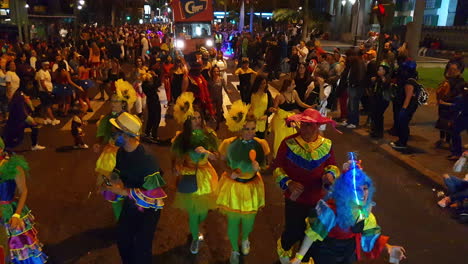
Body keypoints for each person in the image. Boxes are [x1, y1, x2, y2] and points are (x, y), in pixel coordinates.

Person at [289, 153, 406, 264]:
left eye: (365, 188)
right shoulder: (331, 211)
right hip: (326, 251)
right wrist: (299, 257)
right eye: (356, 189)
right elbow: (312, 234)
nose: (362, 193)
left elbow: (370, 235)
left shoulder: (366, 213)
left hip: (348, 252)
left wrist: (388, 247)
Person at [272, 108, 340, 264]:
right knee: (291, 233)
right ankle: (284, 259)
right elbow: (277, 168)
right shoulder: (288, 143)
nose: (305, 128)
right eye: (303, 124)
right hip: (295, 200)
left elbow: (333, 165)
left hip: (317, 201)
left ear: (317, 126)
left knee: (312, 238)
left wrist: (330, 174)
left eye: (309, 125)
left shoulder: (327, 144)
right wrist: (288, 183)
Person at [104, 112, 167, 264]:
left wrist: (121, 191)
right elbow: (119, 172)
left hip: (148, 211)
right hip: (131, 204)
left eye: (115, 131)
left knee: (141, 248)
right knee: (123, 240)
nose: (112, 134)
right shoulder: (121, 152)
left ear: (126, 135)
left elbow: (154, 195)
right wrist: (109, 179)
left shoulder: (146, 159)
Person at [217, 100, 270, 264]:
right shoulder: (228, 144)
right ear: (239, 127)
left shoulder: (262, 144)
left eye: (253, 128)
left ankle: (245, 238)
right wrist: (229, 171)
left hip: (252, 186)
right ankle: (234, 249)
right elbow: (222, 161)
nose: (250, 132)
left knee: (249, 220)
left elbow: (267, 165)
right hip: (233, 186)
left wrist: (260, 168)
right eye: (246, 129)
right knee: (233, 221)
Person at [171, 93, 219, 254]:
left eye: (199, 118)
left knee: (203, 212)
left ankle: (197, 227)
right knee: (193, 212)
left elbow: (217, 156)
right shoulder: (182, 138)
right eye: (193, 118)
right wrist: (176, 167)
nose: (197, 121)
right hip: (189, 174)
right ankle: (195, 236)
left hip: (206, 176)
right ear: (187, 121)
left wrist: (207, 152)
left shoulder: (209, 135)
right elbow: (176, 156)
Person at [0, 138, 48, 264]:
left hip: (8, 212)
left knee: (15, 245)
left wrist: (17, 214)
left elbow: (24, 191)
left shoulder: (13, 166)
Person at [95, 79, 136, 220]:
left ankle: (127, 220)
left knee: (126, 191)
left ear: (123, 103)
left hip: (126, 156)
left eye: (116, 101)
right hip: (110, 158)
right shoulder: (107, 119)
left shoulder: (130, 119)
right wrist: (98, 143)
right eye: (111, 101)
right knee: (113, 191)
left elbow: (136, 139)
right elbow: (102, 134)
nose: (112, 104)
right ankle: (120, 222)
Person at [270, 79, 314, 157]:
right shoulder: (279, 96)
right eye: (293, 84)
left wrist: (310, 107)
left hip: (291, 120)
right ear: (287, 86)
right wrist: (274, 109)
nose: (295, 86)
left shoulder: (294, 93)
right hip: (280, 121)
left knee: (291, 139)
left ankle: (289, 156)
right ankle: (277, 156)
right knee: (279, 140)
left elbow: (300, 103)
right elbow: (275, 109)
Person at [390, 78, 420, 150]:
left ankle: (402, 143)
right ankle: (400, 141)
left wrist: (403, 109)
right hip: (407, 106)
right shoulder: (407, 82)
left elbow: (408, 97)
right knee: (402, 123)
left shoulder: (408, 83)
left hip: (407, 107)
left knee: (403, 123)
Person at [369, 64, 392, 138]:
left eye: (380, 70)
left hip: (383, 100)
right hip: (377, 99)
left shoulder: (386, 78)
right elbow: (374, 88)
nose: (378, 71)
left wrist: (382, 79)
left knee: (379, 116)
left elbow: (385, 87)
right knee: (375, 115)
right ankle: (375, 130)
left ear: (384, 71)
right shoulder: (378, 78)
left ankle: (379, 132)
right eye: (378, 70)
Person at [36, 61, 60, 125]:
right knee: (48, 106)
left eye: (48, 65)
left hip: (47, 90)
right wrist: (47, 91)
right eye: (46, 65)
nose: (47, 66)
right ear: (43, 65)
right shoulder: (41, 72)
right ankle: (53, 119)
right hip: (44, 91)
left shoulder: (47, 71)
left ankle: (45, 118)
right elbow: (42, 83)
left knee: (44, 105)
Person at [209, 65, 227, 130]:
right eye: (214, 71)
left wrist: (228, 91)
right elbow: (207, 89)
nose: (216, 73)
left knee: (219, 112)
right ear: (212, 72)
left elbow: (225, 87)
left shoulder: (221, 79)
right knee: (212, 112)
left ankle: (218, 125)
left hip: (219, 98)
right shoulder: (209, 80)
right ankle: (211, 125)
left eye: (217, 71)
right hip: (211, 98)